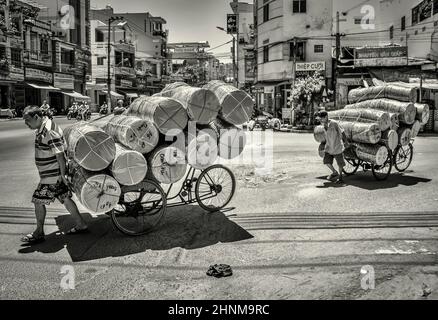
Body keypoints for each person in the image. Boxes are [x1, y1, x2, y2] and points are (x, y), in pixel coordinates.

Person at [21, 106, 89, 244]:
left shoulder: (49, 130)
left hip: (52, 176)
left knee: (38, 201)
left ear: (37, 117)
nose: (26, 124)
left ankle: (39, 232)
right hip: (53, 175)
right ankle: (81, 224)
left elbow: (60, 155)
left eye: (27, 120)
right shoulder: (42, 127)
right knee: (65, 199)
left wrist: (62, 175)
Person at [316, 111, 349, 183]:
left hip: (337, 146)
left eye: (321, 118)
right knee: (326, 161)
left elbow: (342, 132)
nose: (320, 120)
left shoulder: (334, 123)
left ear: (326, 117)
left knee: (340, 164)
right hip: (329, 147)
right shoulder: (323, 125)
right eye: (320, 119)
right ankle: (334, 172)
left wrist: (345, 142)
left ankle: (340, 178)